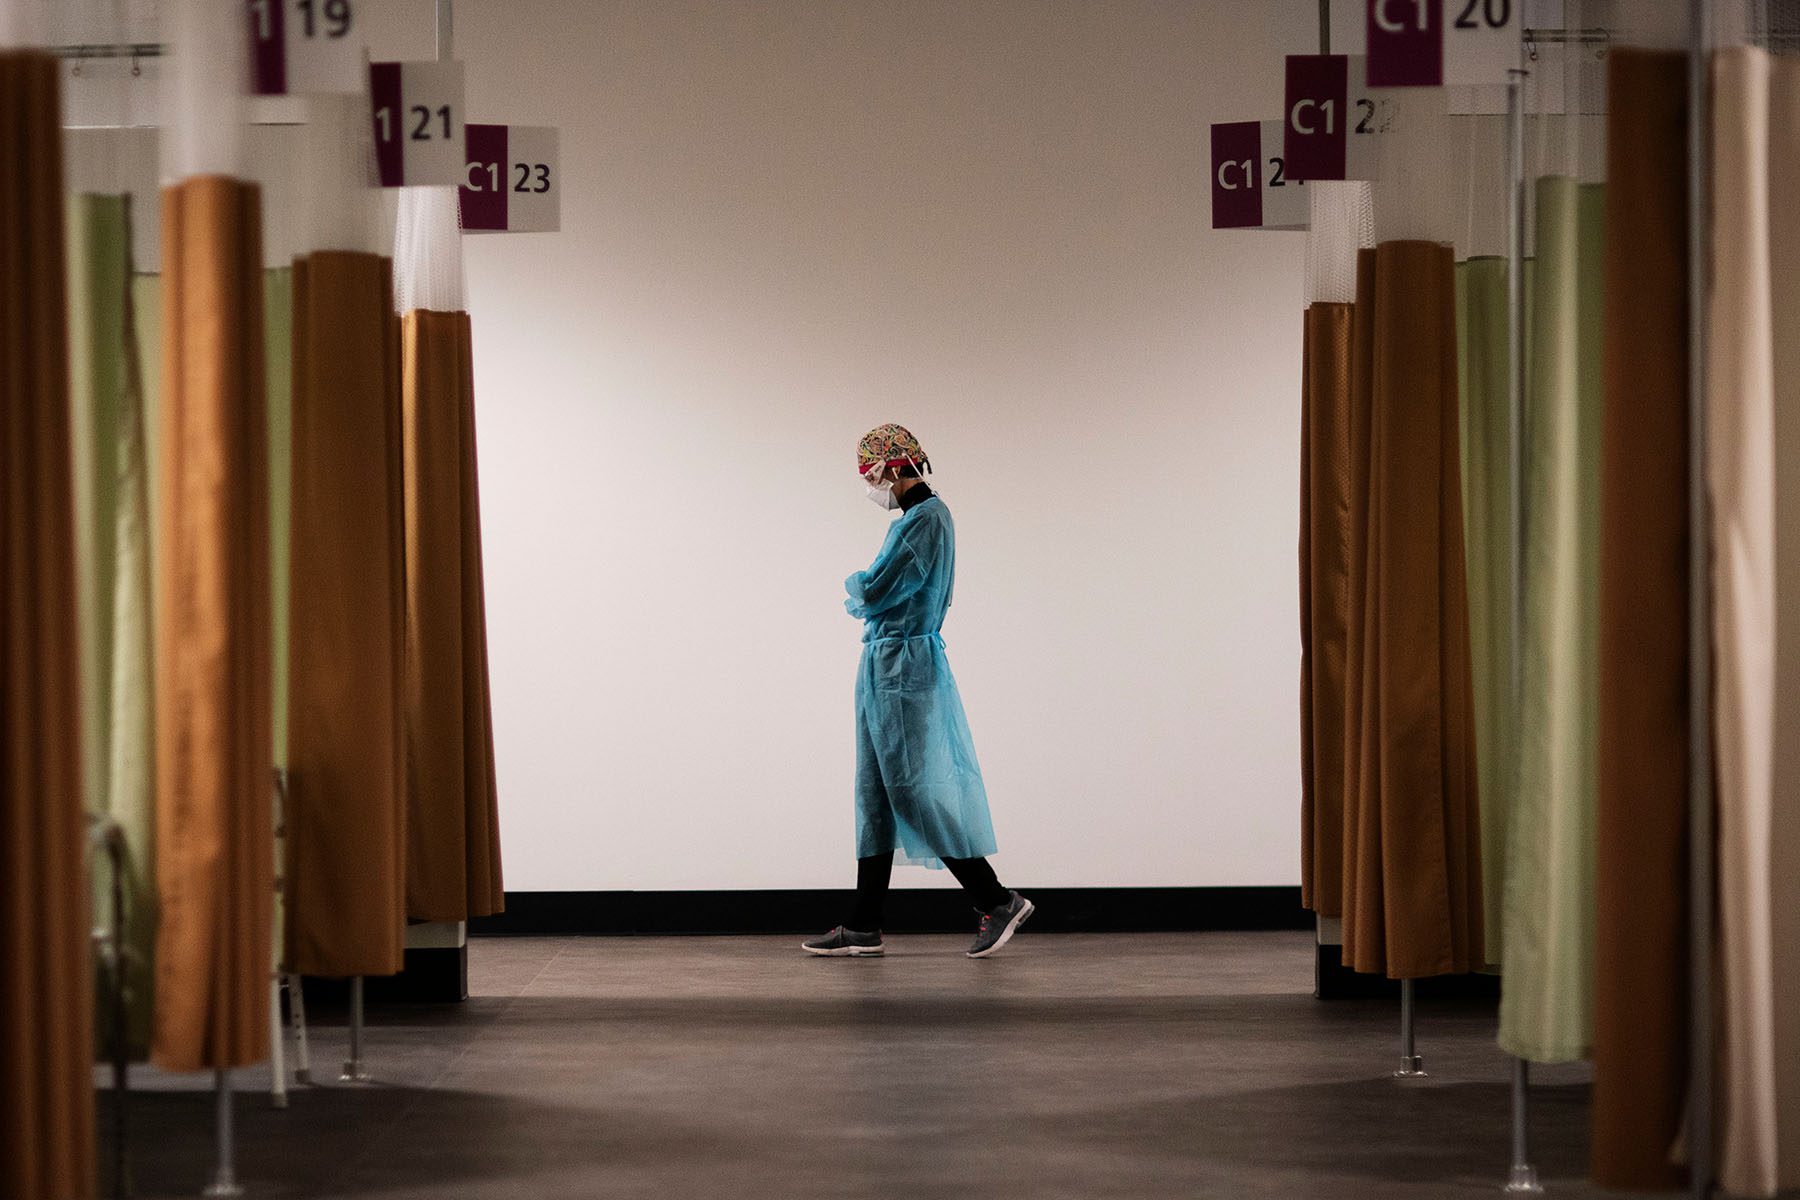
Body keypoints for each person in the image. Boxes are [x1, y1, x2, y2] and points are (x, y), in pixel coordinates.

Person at [804, 424, 1034, 960]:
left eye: (871, 474)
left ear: (893, 466)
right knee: (877, 792)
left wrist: (859, 583)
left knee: (910, 788)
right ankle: (864, 924)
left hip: (903, 669)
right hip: (889, 664)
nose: (871, 485)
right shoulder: (919, 519)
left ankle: (996, 899)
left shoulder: (925, 520)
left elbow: (877, 588)